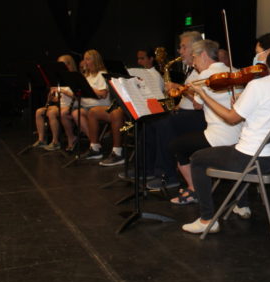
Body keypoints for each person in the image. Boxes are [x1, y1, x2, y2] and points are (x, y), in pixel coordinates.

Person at [181, 32, 270, 234]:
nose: (256, 58)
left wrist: (203, 95)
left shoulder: (258, 85)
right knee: (229, 149)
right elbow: (268, 115)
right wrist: (242, 107)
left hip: (252, 159)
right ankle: (241, 204)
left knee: (197, 159)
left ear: (269, 53)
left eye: (258, 53)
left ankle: (206, 219)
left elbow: (230, 118)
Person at [168, 40, 242, 204]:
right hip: (240, 135)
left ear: (203, 55)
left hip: (219, 136)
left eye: (194, 58)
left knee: (176, 146)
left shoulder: (204, 76)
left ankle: (194, 189)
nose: (193, 63)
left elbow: (197, 105)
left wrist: (186, 91)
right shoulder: (234, 71)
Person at [142, 31, 207, 190]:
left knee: (165, 124)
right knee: (149, 121)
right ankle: (147, 169)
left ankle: (167, 175)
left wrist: (179, 88)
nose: (179, 51)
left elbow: (201, 101)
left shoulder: (205, 70)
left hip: (199, 116)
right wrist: (176, 106)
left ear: (195, 48)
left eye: (183, 47)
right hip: (186, 113)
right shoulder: (192, 70)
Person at [85, 48, 164, 166]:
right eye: (138, 59)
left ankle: (118, 152)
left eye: (142, 58)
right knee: (93, 112)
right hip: (131, 106)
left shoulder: (155, 75)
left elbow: (154, 98)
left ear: (151, 59)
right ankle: (95, 148)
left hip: (144, 110)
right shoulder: (136, 73)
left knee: (116, 113)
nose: (139, 62)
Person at [67, 50, 110, 158]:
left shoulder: (102, 74)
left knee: (84, 112)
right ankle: (95, 145)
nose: (85, 62)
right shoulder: (88, 76)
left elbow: (103, 94)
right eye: (84, 59)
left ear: (95, 60)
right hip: (87, 107)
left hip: (101, 107)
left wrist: (88, 89)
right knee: (75, 113)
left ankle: (95, 146)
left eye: (88, 59)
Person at [30, 54, 78, 151]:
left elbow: (77, 96)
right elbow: (56, 99)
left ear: (69, 64)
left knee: (51, 112)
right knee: (39, 111)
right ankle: (41, 140)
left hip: (72, 105)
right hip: (60, 104)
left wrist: (62, 91)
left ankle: (55, 141)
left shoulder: (74, 77)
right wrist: (50, 98)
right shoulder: (58, 79)